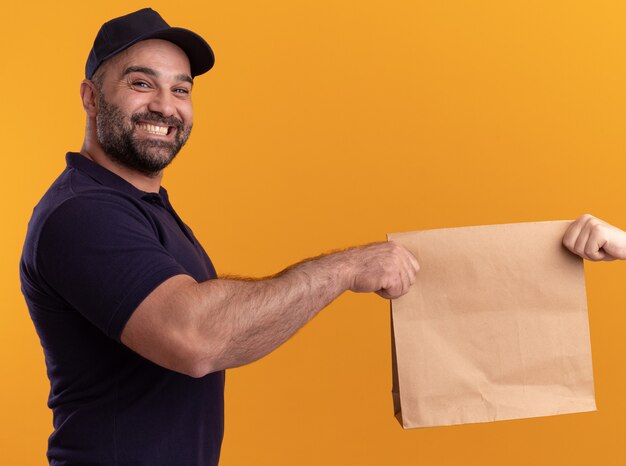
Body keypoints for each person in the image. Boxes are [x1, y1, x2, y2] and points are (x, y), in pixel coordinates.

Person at [19, 8, 418, 466]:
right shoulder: (83, 213)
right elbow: (196, 338)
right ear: (91, 97)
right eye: (141, 83)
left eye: (181, 89)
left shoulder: (144, 208)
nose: (165, 106)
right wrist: (348, 267)